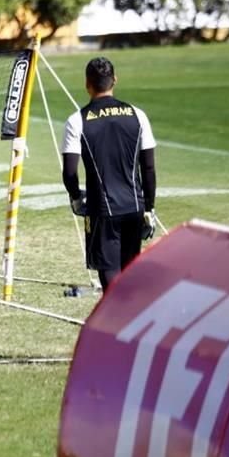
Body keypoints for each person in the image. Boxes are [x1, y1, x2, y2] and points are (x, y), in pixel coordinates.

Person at [61, 56, 157, 293]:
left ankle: (118, 318)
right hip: (134, 206)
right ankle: (131, 318)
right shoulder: (138, 114)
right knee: (130, 269)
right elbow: (148, 167)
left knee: (110, 272)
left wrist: (75, 197)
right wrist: (149, 207)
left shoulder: (76, 121)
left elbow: (70, 171)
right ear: (115, 80)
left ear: (87, 84)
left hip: (102, 210)